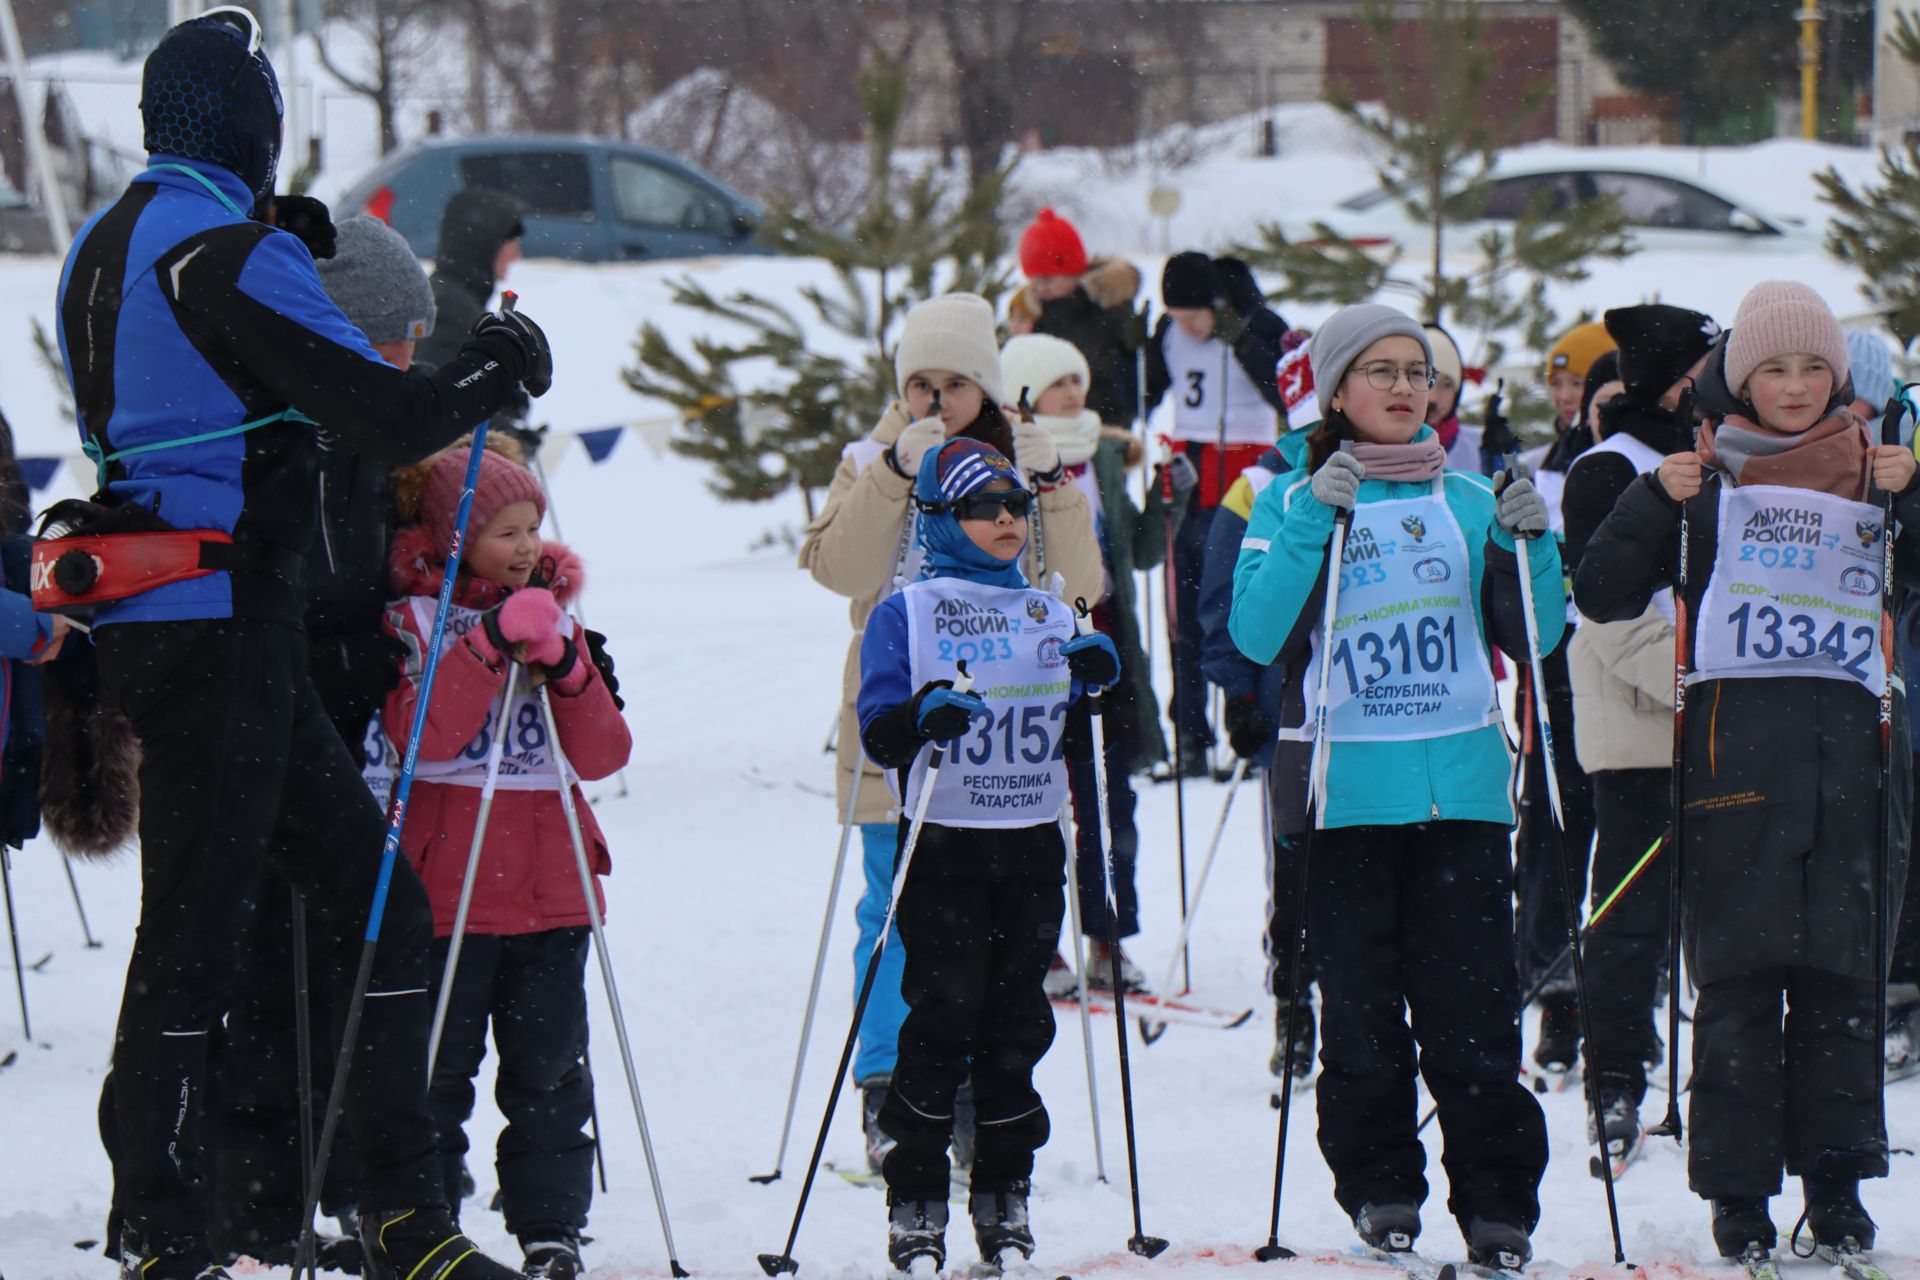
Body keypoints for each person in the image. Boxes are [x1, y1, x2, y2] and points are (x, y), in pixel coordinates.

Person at [51, 12, 551, 1278]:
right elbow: (389, 416)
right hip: (224, 618)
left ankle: (395, 1208)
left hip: (161, 611)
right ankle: (166, 1228)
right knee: (198, 931)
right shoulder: (222, 250)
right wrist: (496, 363)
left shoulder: (103, 245)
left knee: (377, 897)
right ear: (252, 124)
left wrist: (279, 241)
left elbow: (186, 377)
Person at [1575, 281, 1912, 1263]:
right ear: (1740, 378)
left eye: (1814, 368)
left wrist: (1916, 493)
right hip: (1732, 757)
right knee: (1737, 986)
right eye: (1775, 368)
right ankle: (1736, 1192)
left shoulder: (1875, 471)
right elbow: (1599, 594)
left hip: (1851, 759)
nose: (1797, 386)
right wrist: (1651, 500)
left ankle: (1840, 1184)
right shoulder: (1704, 476)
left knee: (1843, 983)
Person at [1229, 303, 1557, 1269]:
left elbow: (1537, 638)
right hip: (1347, 804)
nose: (1406, 387)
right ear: (1336, 391)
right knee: (1365, 1017)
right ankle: (1381, 1188)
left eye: (1418, 371)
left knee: (1473, 1017)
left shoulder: (1464, 498)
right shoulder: (1291, 500)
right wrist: (1316, 519)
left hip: (1461, 798)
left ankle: (1498, 1202)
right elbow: (1254, 637)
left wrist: (1532, 545)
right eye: (1381, 371)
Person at [798, 293, 1101, 1173]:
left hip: (1006, 731)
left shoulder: (1016, 471)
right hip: (900, 714)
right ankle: (890, 1084)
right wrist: (894, 471)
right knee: (892, 904)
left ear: (988, 385)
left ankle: (980, 1086)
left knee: (996, 918)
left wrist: (1053, 489)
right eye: (919, 383)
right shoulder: (874, 456)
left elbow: (1080, 585)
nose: (937, 400)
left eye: (957, 384)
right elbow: (839, 569)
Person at [207, 213, 440, 1269]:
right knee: (263, 962)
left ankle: (351, 1180)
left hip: (355, 736)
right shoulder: (284, 435)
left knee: (355, 957)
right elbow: (276, 597)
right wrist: (349, 657)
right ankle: (252, 1192)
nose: (410, 360)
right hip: (271, 726)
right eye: (397, 336)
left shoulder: (375, 447)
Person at [856, 436, 1119, 1272]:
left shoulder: (1049, 607)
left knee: (1018, 1026)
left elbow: (1078, 728)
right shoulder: (908, 611)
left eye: (1014, 506)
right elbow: (880, 727)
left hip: (1032, 845)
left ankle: (1005, 1189)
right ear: (941, 518)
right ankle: (917, 1195)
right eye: (981, 507)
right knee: (940, 1022)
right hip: (945, 844)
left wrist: (1098, 682)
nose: (1005, 519)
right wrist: (923, 715)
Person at [383, 443, 628, 1280]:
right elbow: (424, 737)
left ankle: (551, 1224)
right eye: (502, 532)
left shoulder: (559, 619)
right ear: (451, 539)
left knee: (553, 1074)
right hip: (450, 890)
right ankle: (428, 1218)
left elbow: (601, 754)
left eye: (532, 529)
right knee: (436, 1071)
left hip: (552, 887)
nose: (525, 547)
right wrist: (486, 644)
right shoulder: (412, 620)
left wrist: (564, 665)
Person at [1533, 306, 1716, 1085]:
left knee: (1705, 913)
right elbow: (1601, 611)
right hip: (1637, 715)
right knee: (1627, 909)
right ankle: (1615, 1069)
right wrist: (1700, 673)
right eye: (1702, 375)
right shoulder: (1607, 466)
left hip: (1706, 713)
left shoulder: (1714, 456)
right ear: (1673, 383)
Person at [1002, 334, 1188, 992]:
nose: (1074, 392)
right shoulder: (1006, 457)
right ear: (1024, 389)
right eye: (1057, 382)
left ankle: (1109, 942)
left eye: (1077, 380)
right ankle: (1041, 947)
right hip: (1031, 656)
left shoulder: (1106, 455)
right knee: (1036, 805)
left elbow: (1135, 552)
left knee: (1110, 804)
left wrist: (1168, 500)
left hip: (1105, 649)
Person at [1197, 331, 1319, 1090]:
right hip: (1292, 706)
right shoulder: (1259, 486)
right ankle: (1294, 1005)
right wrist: (1240, 692)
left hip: (1381, 710)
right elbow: (1222, 598)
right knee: (1298, 862)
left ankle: (1363, 1006)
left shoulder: (1398, 473)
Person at [1145, 252, 1288, 772]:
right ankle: (1189, 733)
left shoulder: (1257, 324)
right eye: (1179, 317)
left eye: (1195, 316)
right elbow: (1144, 391)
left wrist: (1243, 342)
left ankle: (1246, 722)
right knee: (1184, 616)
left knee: (1236, 606)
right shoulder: (1169, 331)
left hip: (1245, 477)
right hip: (1189, 475)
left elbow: (1287, 392)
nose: (1188, 327)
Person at [1010, 208, 1144, 429]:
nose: (1041, 289)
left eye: (1049, 280)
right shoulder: (1032, 313)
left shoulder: (1107, 307)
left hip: (1107, 423)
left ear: (1074, 272)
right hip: (1050, 425)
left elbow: (1124, 367)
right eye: (1035, 282)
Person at [417, 187, 525, 371]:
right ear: (484, 243)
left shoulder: (454, 298)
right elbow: (440, 392)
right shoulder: (450, 310)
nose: (517, 255)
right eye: (511, 243)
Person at [1422, 325, 1481, 473]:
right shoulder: (1373, 448)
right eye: (1426, 381)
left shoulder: (1481, 448)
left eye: (1447, 384)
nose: (1433, 397)